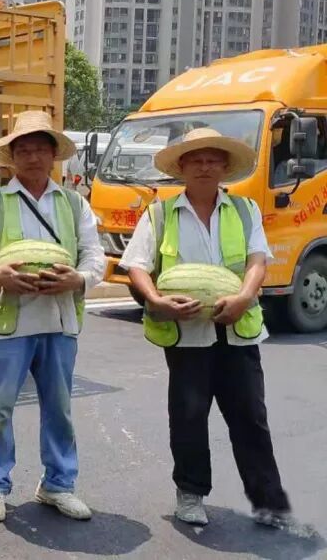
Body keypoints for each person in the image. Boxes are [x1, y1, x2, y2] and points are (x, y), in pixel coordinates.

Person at [120, 128, 292, 528]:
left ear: (224, 167)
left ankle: (268, 499)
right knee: (189, 416)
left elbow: (257, 262)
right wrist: (155, 300)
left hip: (238, 329)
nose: (204, 166)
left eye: (213, 159)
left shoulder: (245, 210)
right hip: (185, 335)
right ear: (181, 167)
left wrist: (246, 298)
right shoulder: (160, 214)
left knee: (250, 415)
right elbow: (137, 266)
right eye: (195, 159)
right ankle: (191, 494)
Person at [0, 111, 104, 522]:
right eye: (23, 149)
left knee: (59, 407)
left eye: (40, 149)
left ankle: (58, 485)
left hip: (60, 320)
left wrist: (77, 279)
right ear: (12, 157)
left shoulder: (75, 203)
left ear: (53, 154)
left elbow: (94, 256)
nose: (32, 156)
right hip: (10, 319)